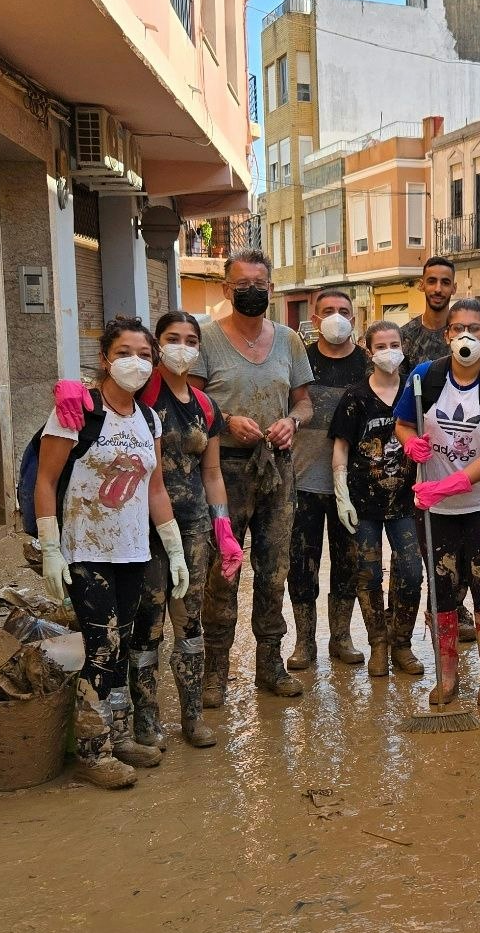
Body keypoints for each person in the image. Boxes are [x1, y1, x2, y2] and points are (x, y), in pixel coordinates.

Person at [33, 316, 192, 789]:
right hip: (87, 551)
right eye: (124, 353)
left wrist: (174, 549)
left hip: (133, 552)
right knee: (101, 650)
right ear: (104, 359)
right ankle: (92, 751)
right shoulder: (76, 412)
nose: (136, 363)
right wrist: (50, 550)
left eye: (145, 355)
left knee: (120, 649)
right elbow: (45, 481)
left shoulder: (149, 419)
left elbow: (156, 488)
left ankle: (117, 736)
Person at [192, 250, 314, 701]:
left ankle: (270, 665)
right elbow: (192, 403)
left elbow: (304, 401)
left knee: (274, 571)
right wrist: (224, 421)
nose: (251, 292)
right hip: (222, 471)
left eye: (259, 284)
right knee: (221, 572)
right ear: (226, 289)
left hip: (278, 472)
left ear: (271, 288)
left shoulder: (288, 341)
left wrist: (293, 422)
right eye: (241, 284)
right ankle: (215, 671)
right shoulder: (205, 340)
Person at [394, 299, 480, 706]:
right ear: (447, 335)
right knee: (442, 588)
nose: (466, 335)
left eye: (476, 328)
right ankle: (446, 676)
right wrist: (409, 444)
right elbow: (404, 423)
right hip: (434, 508)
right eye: (458, 328)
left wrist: (449, 485)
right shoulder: (423, 378)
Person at [130, 311, 241, 755]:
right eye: (172, 338)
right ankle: (145, 720)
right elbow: (94, 400)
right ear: (157, 346)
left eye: (191, 339)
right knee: (147, 625)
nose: (182, 346)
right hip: (142, 528)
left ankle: (191, 716)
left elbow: (212, 472)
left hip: (194, 527)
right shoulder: (140, 395)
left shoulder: (205, 405)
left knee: (189, 621)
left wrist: (223, 524)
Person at [329, 320, 425, 677]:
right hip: (363, 502)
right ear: (368, 352)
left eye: (394, 344)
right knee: (367, 574)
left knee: (412, 574)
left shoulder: (415, 395)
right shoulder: (355, 397)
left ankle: (402, 643)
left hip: (405, 502)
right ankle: (378, 645)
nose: (388, 352)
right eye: (380, 346)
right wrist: (342, 495)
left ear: (403, 348)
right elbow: (340, 447)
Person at [287, 287, 371, 674]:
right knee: (301, 565)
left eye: (343, 310)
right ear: (315, 319)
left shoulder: (368, 365)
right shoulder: (298, 360)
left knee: (347, 563)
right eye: (328, 311)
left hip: (350, 486)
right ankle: (304, 641)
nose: (336, 317)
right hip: (301, 481)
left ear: (353, 319)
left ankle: (341, 636)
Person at [397, 256, 474, 642]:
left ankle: (455, 610)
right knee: (416, 546)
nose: (439, 288)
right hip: (418, 455)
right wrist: (409, 444)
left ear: (454, 287)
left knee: (461, 540)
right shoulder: (407, 337)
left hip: (462, 450)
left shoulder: (468, 335)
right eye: (432, 281)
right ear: (422, 285)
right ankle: (406, 635)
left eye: (446, 282)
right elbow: (394, 401)